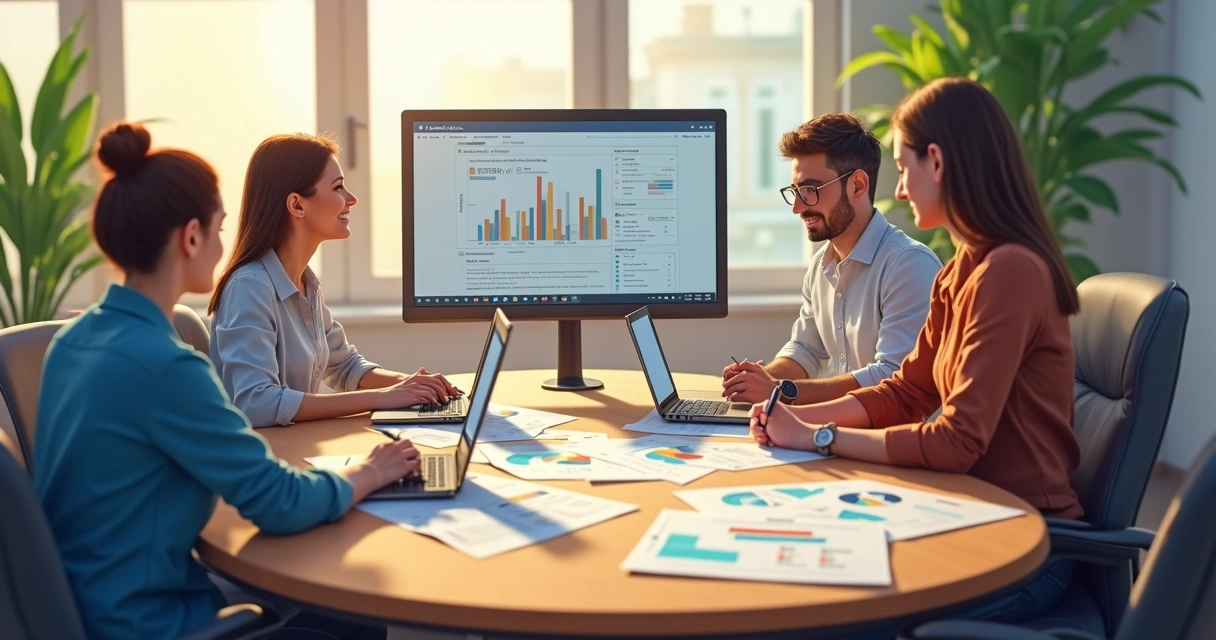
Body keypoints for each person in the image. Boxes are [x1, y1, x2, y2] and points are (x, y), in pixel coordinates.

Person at [34, 122, 419, 639]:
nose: (223, 249)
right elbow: (280, 502)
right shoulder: (167, 368)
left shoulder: (71, 342)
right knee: (357, 616)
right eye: (218, 230)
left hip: (89, 607)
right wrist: (373, 471)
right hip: (150, 623)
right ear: (190, 237)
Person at [751, 77, 1083, 622]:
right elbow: (906, 392)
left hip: (1025, 544)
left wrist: (820, 437)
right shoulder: (961, 270)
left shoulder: (1009, 272)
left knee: (835, 614)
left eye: (904, 170)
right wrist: (794, 419)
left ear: (938, 162)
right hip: (968, 511)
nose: (901, 191)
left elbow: (956, 442)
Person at [208, 133, 457, 428]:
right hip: (262, 452)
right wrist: (383, 397)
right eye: (338, 187)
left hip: (292, 445)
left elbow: (344, 365)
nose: (352, 198)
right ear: (297, 205)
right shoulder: (250, 287)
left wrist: (411, 385)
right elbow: (257, 404)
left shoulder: (306, 282)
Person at [722, 113, 941, 406]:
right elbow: (806, 351)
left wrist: (779, 390)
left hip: (889, 433)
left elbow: (891, 378)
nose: (798, 208)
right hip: (831, 427)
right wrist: (758, 380)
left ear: (857, 186)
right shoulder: (821, 265)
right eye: (795, 191)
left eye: (810, 190)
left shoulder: (910, 266)